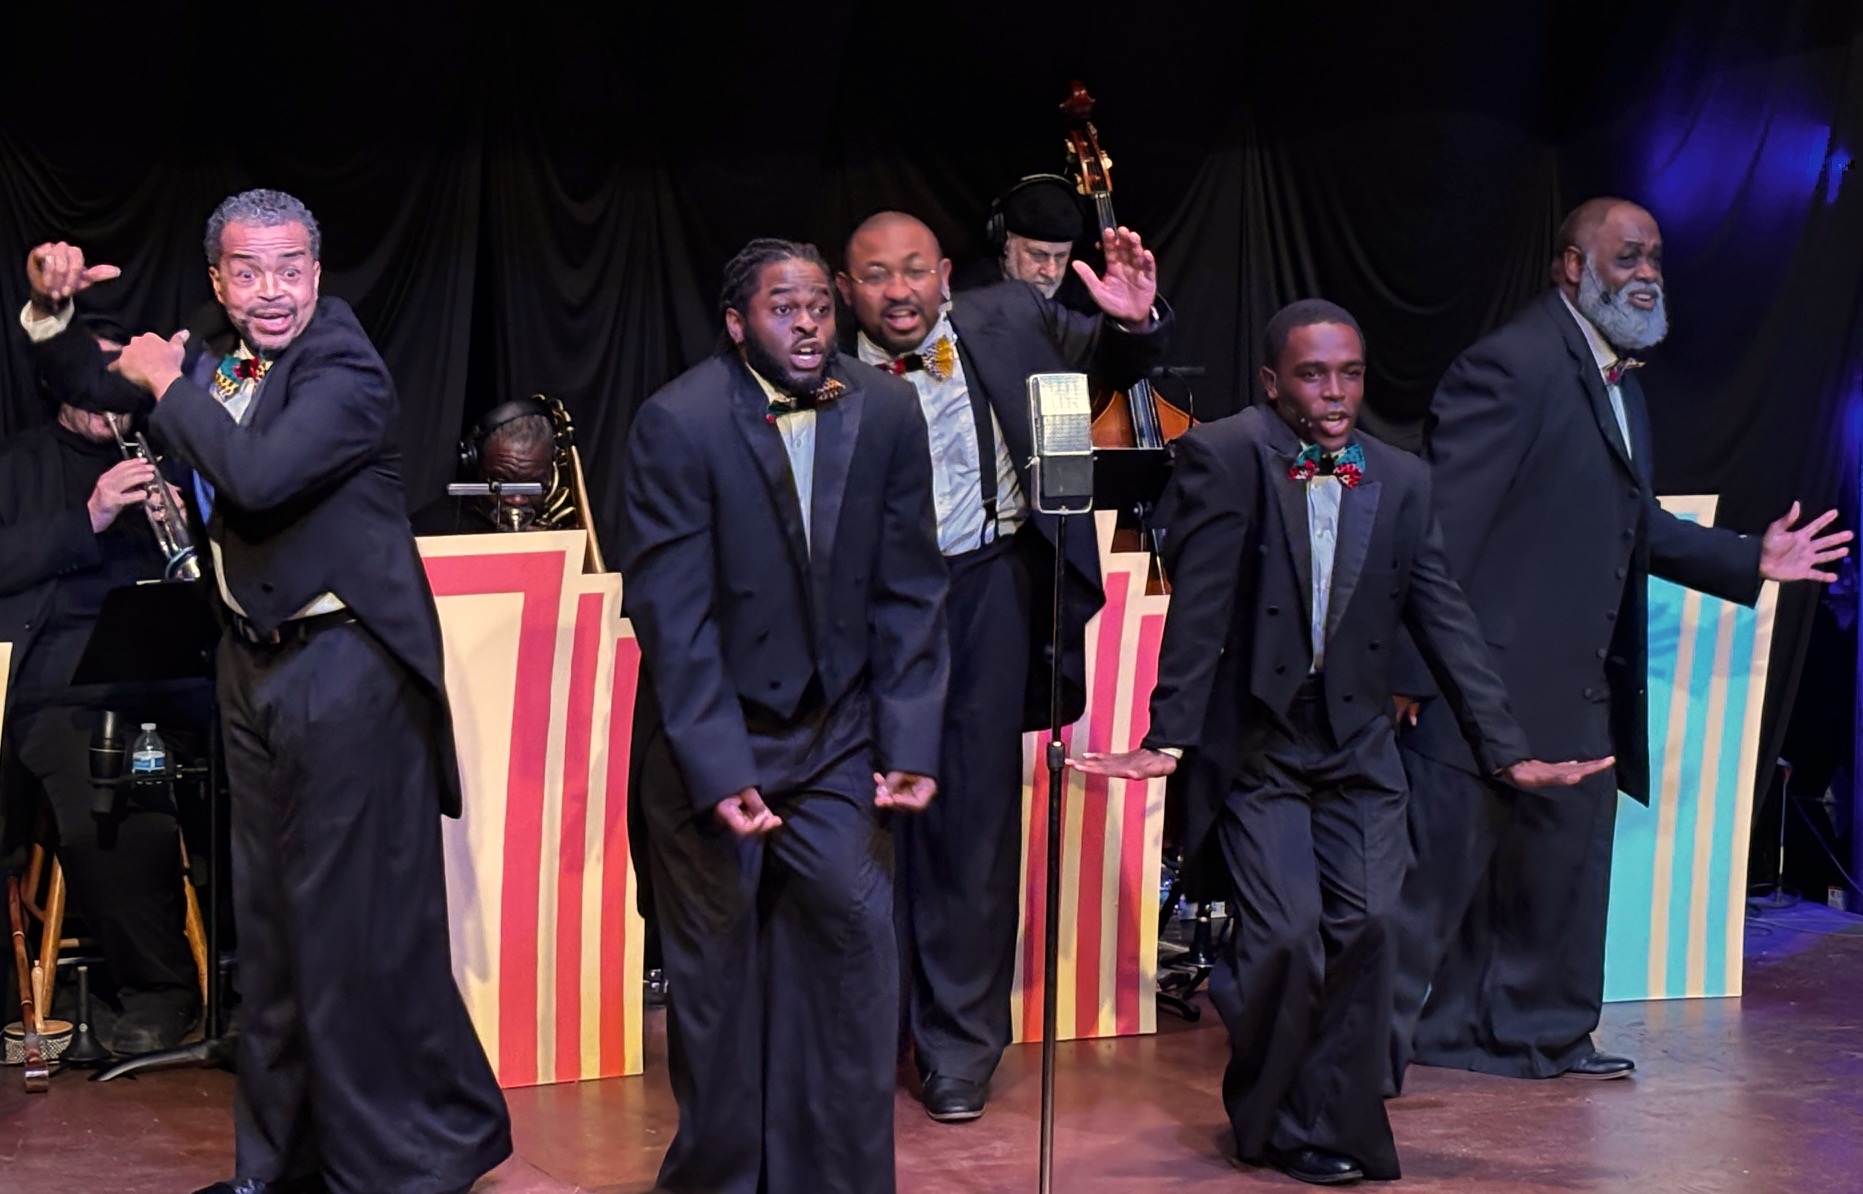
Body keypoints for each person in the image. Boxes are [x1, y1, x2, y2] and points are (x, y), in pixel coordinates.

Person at [1072, 299, 1612, 1185]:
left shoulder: (1398, 479)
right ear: (1271, 381)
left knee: (1367, 930)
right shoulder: (1227, 453)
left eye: (1349, 373)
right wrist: (1166, 737)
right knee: (1284, 937)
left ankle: (1333, 1126)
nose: (1334, 392)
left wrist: (1504, 749)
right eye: (1313, 374)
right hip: (1260, 748)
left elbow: (1443, 617)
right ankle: (1273, 1119)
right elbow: (1200, 605)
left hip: (1357, 746)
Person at [45, 188, 511, 1194]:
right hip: (255, 668)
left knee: (346, 933)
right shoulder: (217, 364)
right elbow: (96, 379)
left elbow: (256, 475)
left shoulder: (344, 369)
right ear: (219, 278)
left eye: (290, 267)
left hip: (349, 668)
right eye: (247, 271)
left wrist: (172, 386)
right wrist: (56, 313)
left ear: (317, 269)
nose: (271, 291)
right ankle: (284, 1169)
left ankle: (387, 1167)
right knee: (274, 930)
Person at [1388, 196, 1851, 1088]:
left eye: (1655, 260)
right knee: (1437, 882)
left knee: (1559, 873)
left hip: (1574, 678)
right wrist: (1414, 677)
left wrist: (1752, 556)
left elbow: (1632, 521)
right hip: (1482, 681)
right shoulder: (1511, 366)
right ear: (1571, 267)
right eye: (1626, 257)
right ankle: (1384, 1049)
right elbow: (1440, 530)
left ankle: (1538, 1035)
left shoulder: (1619, 381)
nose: (1646, 275)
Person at [618, 236, 948, 1194]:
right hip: (711, 736)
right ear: (736, 323)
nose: (806, 324)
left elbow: (912, 584)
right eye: (781, 307)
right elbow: (672, 618)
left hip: (837, 729)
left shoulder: (884, 407)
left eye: (816, 306)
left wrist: (910, 738)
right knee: (717, 984)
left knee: (854, 942)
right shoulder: (677, 421)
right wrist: (722, 771)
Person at [838, 210, 1168, 1121]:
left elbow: (1107, 366)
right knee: (861, 822)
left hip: (986, 588)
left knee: (974, 827)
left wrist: (1137, 323)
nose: (898, 291)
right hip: (865, 608)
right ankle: (866, 1037)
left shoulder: (1009, 320)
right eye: (875, 275)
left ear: (945, 274)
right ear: (844, 288)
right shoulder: (817, 361)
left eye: (913, 270)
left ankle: (958, 1048)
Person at [3, 298, 199, 1055]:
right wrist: (84, 517)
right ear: (61, 384)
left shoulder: (171, 456)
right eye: (94, 383)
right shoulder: (17, 464)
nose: (108, 406)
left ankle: (261, 979)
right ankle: (162, 989)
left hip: (176, 673)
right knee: (117, 795)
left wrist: (194, 522)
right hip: (66, 688)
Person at [413, 396, 567, 535]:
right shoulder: (428, 531)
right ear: (474, 468)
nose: (517, 500)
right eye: (501, 483)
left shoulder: (559, 532)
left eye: (533, 485)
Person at [954, 174, 1090, 308]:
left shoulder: (1079, 299)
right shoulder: (968, 300)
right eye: (1038, 255)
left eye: (1061, 256)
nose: (1051, 272)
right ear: (1005, 244)